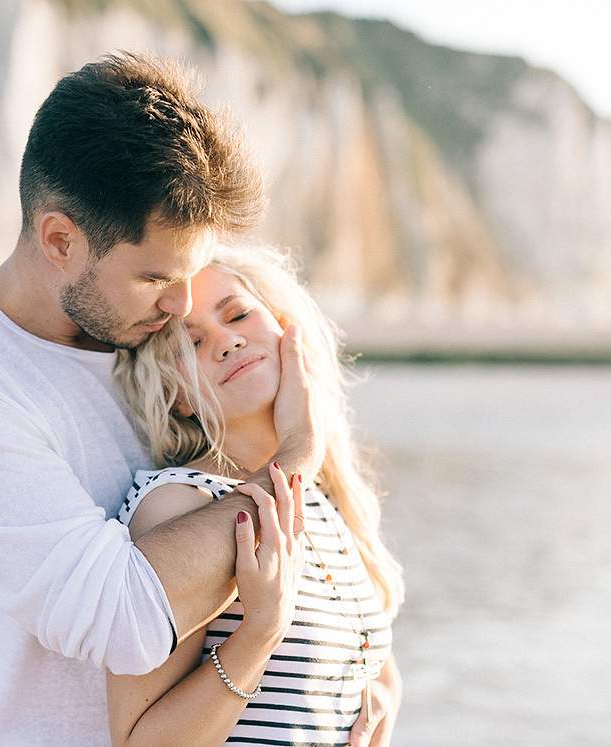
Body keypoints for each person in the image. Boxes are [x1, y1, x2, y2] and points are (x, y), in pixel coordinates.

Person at [0, 52, 324, 745]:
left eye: (192, 272)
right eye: (155, 277)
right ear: (60, 239)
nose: (182, 304)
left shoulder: (146, 334)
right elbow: (124, 618)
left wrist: (365, 663)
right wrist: (296, 461)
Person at [109, 243, 405, 745]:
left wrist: (379, 705)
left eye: (239, 314)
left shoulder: (324, 497)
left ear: (284, 326)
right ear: (176, 396)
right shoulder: (181, 504)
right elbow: (140, 740)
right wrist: (258, 635)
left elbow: (379, 674)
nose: (226, 342)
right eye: (192, 343)